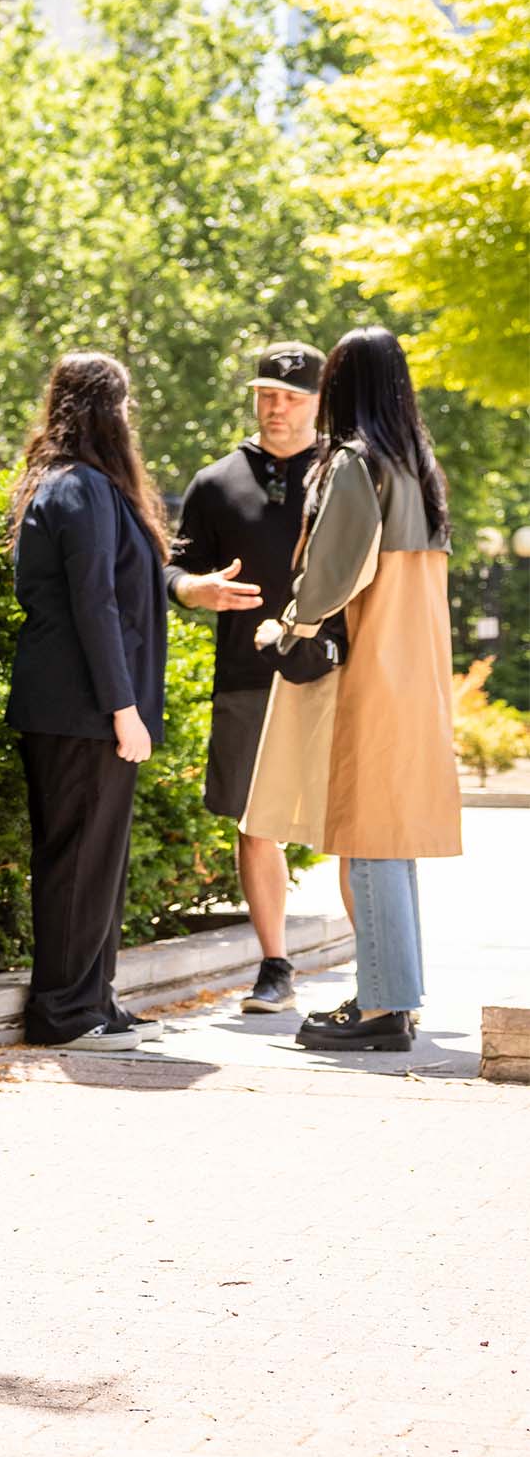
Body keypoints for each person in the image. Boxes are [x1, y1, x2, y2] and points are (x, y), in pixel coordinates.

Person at [242, 326, 463, 1052]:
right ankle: (396, 996)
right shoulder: (417, 463)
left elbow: (334, 571)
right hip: (415, 668)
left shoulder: (355, 463)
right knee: (389, 833)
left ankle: (379, 1005)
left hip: (370, 665)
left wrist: (288, 625)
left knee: (368, 831)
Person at [165, 342, 347, 1014]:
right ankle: (274, 965)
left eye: (292, 396)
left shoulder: (345, 475)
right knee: (253, 822)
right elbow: (172, 569)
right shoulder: (216, 483)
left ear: (319, 402)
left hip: (332, 674)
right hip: (246, 676)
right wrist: (193, 590)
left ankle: (376, 976)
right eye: (266, 394)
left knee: (349, 824)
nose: (276, 407)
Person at [4, 353, 170, 1052]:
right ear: (109, 411)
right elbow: (94, 604)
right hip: (82, 712)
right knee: (77, 859)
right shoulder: (81, 489)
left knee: (97, 857)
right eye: (125, 406)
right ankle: (65, 1011)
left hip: (80, 709)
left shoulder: (79, 486)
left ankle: (93, 998)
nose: (130, 420)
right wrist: (123, 707)